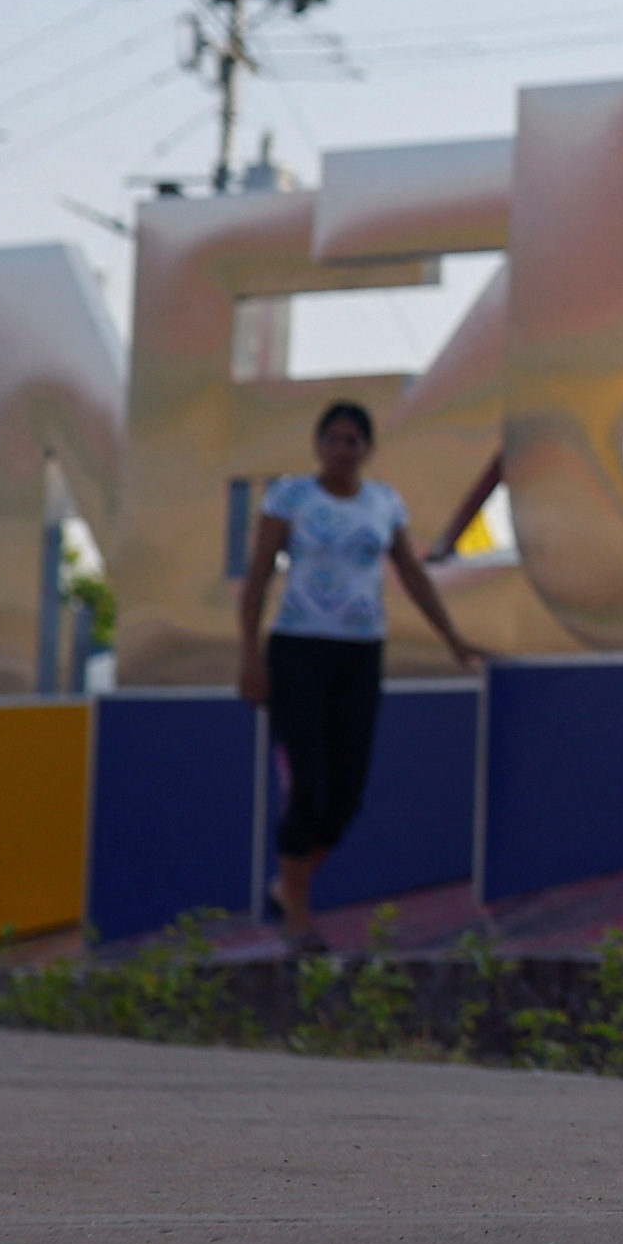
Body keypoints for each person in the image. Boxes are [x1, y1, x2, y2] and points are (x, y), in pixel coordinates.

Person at [232, 398, 479, 950]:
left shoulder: (384, 503)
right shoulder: (291, 496)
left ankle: (289, 883)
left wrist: (452, 637)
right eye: (334, 439)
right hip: (299, 648)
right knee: (309, 780)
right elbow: (257, 579)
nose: (343, 450)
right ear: (318, 445)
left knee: (346, 795)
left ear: (367, 449)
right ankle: (297, 909)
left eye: (354, 441)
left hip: (360, 652)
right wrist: (250, 656)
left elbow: (412, 575)